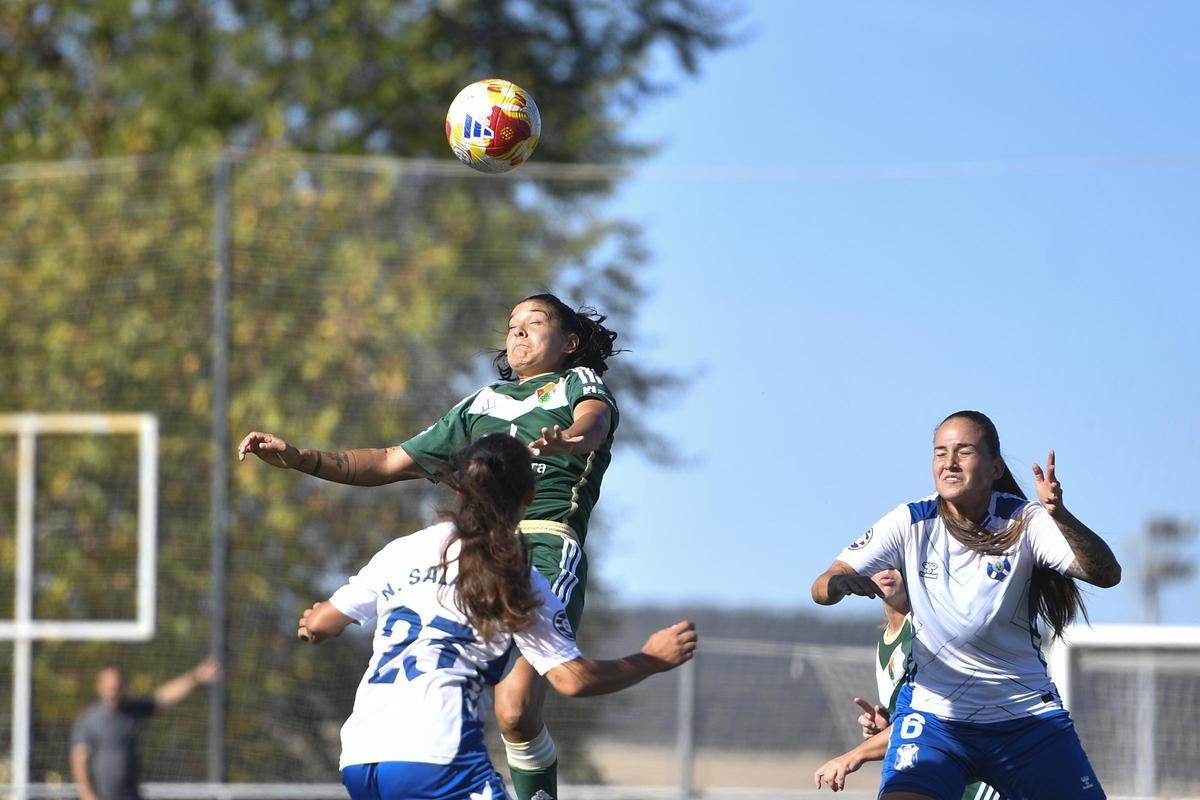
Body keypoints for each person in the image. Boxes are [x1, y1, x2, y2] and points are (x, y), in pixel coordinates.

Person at [238, 293, 621, 800]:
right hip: (470, 552)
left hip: (543, 546)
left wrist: (570, 439)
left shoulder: (578, 385)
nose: (519, 332)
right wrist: (301, 457)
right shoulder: (479, 405)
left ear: (570, 342)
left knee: (514, 710)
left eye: (535, 322)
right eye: (512, 324)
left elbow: (594, 422)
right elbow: (389, 461)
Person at [298, 433, 696, 800]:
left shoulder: (403, 551)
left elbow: (320, 624)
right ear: (529, 494)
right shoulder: (515, 572)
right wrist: (652, 659)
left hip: (361, 757)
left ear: (461, 488)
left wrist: (315, 623)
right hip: (438, 755)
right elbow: (572, 680)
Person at [811, 410, 1120, 800]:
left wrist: (1062, 516)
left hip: (1025, 720)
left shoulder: (1025, 521)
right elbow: (820, 586)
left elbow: (1107, 574)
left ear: (995, 467)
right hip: (934, 720)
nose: (949, 463)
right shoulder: (910, 521)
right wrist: (839, 582)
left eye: (964, 451)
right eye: (940, 453)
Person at [813, 570, 1003, 800]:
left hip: (975, 780)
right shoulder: (887, 640)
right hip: (935, 775)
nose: (888, 572)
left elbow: (933, 717)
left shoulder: (930, 634)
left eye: (898, 565)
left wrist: (854, 755)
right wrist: (883, 728)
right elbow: (910, 722)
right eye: (883, 563)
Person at [70, 658, 222, 800]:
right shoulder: (89, 719)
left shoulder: (131, 711)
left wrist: (196, 676)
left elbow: (163, 696)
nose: (114, 690)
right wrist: (87, 795)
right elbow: (79, 759)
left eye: (117, 685)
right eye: (110, 686)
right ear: (100, 686)